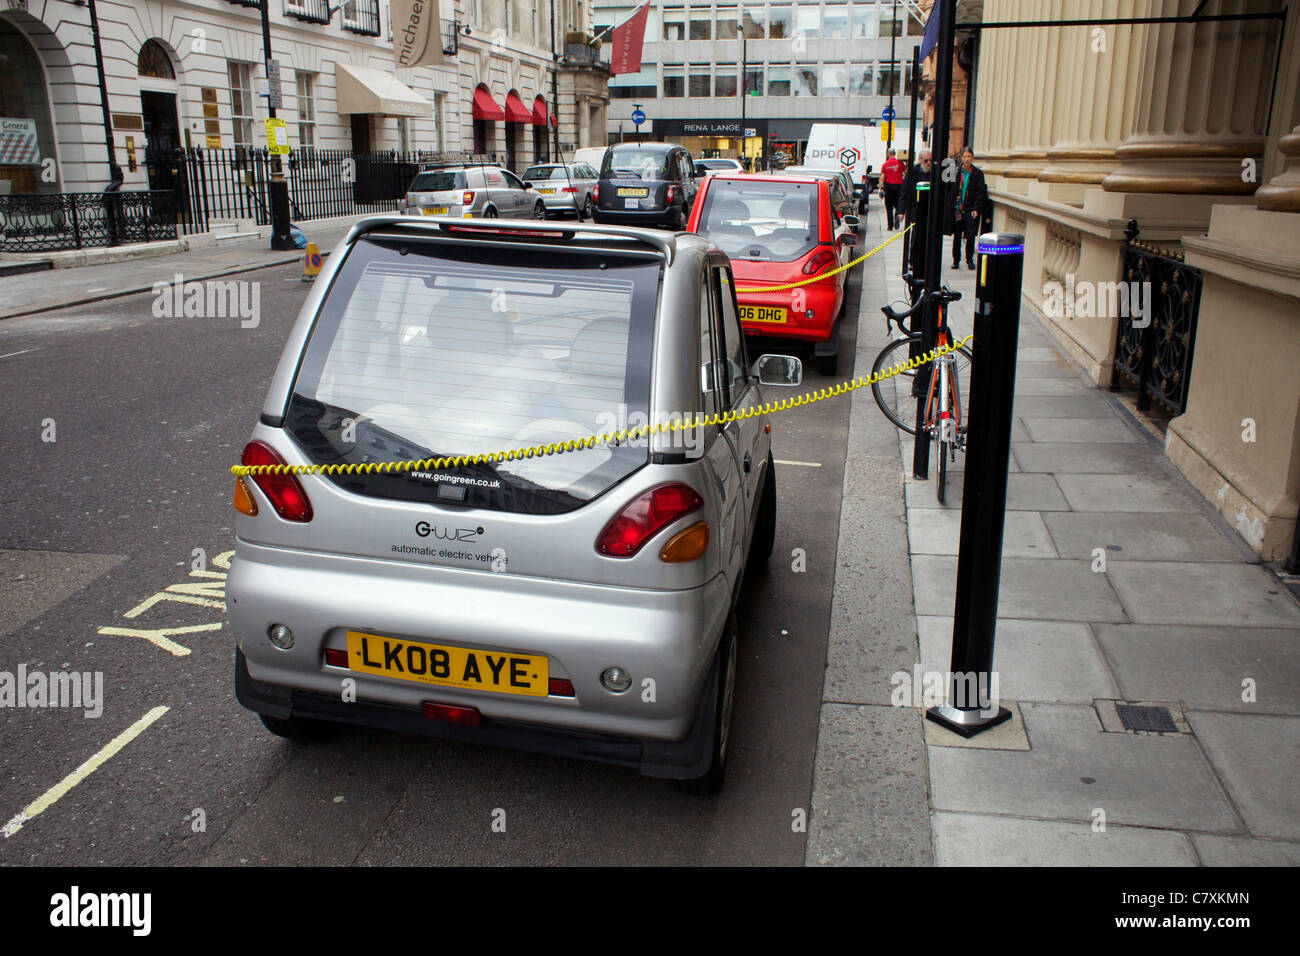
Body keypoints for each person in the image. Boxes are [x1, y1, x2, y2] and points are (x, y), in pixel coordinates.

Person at [945, 147, 987, 269]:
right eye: (964, 156)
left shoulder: (977, 174)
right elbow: (950, 189)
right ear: (961, 158)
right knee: (957, 235)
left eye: (969, 156)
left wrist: (976, 208)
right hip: (958, 208)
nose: (966, 159)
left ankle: (969, 259)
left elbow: (980, 193)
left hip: (970, 208)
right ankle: (956, 260)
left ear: (972, 158)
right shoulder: (957, 172)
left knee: (970, 235)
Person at [899, 148, 932, 222]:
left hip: (929, 209)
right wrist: (901, 211)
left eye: (930, 160)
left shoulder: (935, 172)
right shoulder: (913, 172)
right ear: (920, 159)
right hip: (915, 208)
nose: (929, 163)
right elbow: (904, 191)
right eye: (926, 160)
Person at [880, 148, 905, 230]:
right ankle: (897, 217)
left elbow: (882, 177)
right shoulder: (900, 163)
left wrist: (880, 188)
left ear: (888, 154)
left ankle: (890, 226)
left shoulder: (885, 164)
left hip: (889, 187)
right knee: (898, 205)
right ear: (895, 154)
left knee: (889, 207)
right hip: (899, 187)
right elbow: (907, 171)